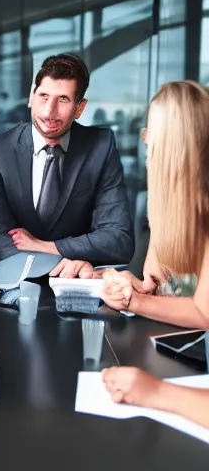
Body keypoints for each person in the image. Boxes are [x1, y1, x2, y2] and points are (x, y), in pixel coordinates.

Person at [100, 81, 209, 429]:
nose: (144, 141)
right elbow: (155, 282)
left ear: (175, 145)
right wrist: (130, 287)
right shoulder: (170, 208)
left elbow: (202, 312)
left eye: (151, 133)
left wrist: (134, 302)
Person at [0, 53, 134, 276]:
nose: (49, 111)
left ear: (79, 108)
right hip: (16, 285)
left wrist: (45, 246)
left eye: (63, 99)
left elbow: (119, 240)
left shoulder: (101, 146)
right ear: (31, 95)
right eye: (43, 96)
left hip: (79, 284)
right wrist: (57, 264)